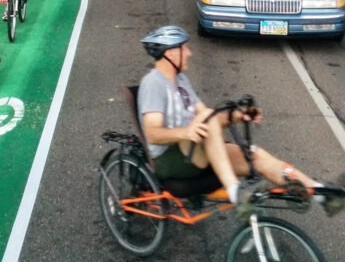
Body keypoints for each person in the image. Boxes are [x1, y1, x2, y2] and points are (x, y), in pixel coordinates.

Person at [137, 26, 320, 207]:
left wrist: (240, 116)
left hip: (196, 150)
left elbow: (212, 122)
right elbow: (153, 134)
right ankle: (234, 189)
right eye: (184, 48)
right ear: (171, 53)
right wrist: (186, 132)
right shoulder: (153, 83)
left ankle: (318, 191)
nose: (189, 53)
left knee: (255, 156)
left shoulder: (181, 80)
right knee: (207, 115)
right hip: (170, 159)